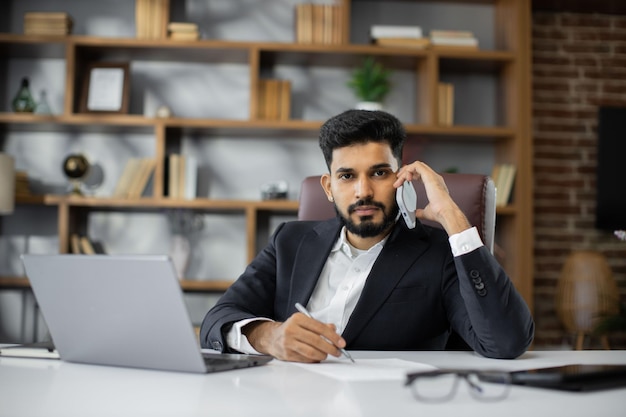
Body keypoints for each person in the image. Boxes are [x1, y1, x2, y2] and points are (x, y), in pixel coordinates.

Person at [200, 109, 534, 363]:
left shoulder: (440, 252)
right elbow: (216, 321)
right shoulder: (289, 240)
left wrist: (454, 219)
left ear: (401, 178)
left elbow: (506, 342)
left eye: (379, 173)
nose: (364, 191)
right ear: (329, 188)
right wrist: (268, 336)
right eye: (347, 176)